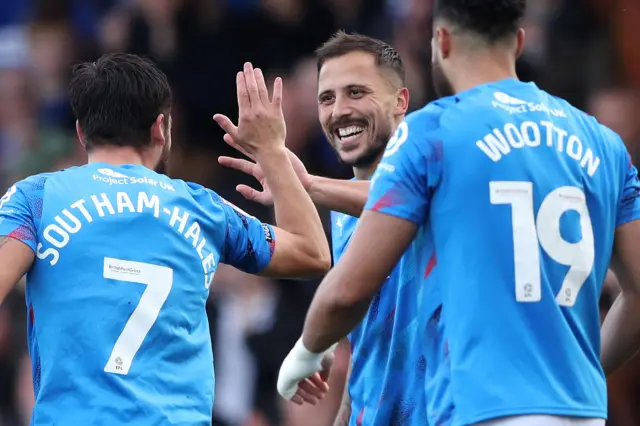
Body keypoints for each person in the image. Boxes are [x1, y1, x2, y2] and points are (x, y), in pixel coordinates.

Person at [276, 0, 640, 425]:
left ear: (441, 42)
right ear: (519, 42)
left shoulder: (432, 132)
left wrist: (306, 350)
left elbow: (348, 290)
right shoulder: (603, 144)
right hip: (581, 411)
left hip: (478, 409)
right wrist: (583, 371)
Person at [0, 53, 331, 425]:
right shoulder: (202, 208)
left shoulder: (36, 199)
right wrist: (272, 152)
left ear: (81, 132)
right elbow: (313, 253)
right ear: (161, 128)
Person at [218, 32, 431, 425]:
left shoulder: (440, 168)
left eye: (356, 92)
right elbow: (367, 357)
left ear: (400, 102)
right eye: (327, 98)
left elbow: (407, 196)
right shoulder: (345, 212)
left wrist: (306, 184)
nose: (339, 111)